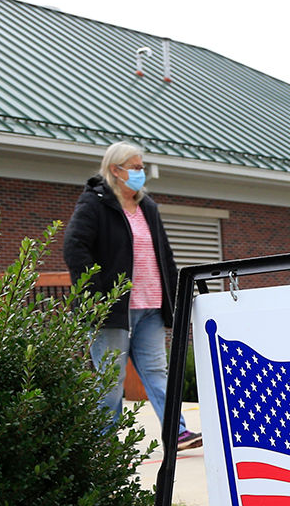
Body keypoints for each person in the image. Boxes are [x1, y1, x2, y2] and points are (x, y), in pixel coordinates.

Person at [64, 141, 201, 449]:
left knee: (157, 373)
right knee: (110, 383)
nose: (141, 173)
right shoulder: (95, 204)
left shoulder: (147, 207)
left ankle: (176, 433)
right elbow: (75, 248)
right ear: (116, 170)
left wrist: (175, 296)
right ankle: (105, 444)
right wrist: (98, 295)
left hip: (150, 306)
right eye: (136, 168)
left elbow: (164, 255)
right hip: (113, 311)